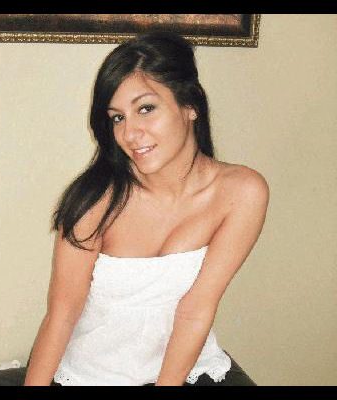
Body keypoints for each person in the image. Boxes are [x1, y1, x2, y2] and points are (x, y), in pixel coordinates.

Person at [24, 31, 269, 386]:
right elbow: (61, 315)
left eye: (145, 109)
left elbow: (196, 309)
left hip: (187, 370)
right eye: (117, 118)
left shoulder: (242, 192)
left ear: (190, 106)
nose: (130, 133)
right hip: (92, 376)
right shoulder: (94, 202)